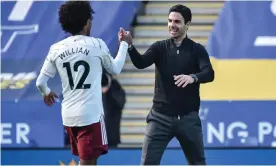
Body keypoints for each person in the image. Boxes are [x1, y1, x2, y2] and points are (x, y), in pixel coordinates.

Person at [119, 4, 214, 165]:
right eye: (169, 21)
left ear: (187, 25)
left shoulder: (197, 50)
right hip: (159, 118)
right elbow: (141, 63)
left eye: (177, 21)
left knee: (198, 163)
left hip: (188, 119)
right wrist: (130, 46)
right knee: (147, 163)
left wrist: (193, 77)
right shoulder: (159, 47)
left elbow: (209, 73)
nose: (172, 25)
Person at [35, 1, 129, 165]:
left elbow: (40, 82)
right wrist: (125, 44)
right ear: (87, 22)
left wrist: (47, 93)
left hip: (69, 116)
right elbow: (115, 69)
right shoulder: (96, 44)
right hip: (90, 116)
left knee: (87, 160)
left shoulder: (56, 48)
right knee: (89, 162)